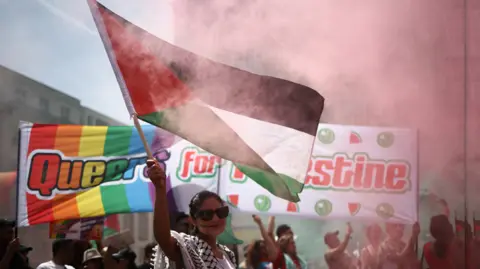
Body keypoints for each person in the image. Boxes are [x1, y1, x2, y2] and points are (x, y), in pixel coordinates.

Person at [147, 159, 236, 269]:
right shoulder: (188, 248)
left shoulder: (228, 254)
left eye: (221, 212)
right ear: (193, 220)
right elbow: (163, 239)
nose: (215, 219)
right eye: (206, 214)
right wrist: (160, 188)